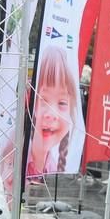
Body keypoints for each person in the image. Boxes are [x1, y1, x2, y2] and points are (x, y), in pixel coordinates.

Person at [26, 45, 77, 178]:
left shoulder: (52, 165)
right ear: (34, 104)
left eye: (62, 103)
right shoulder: (14, 151)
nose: (52, 115)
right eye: (44, 100)